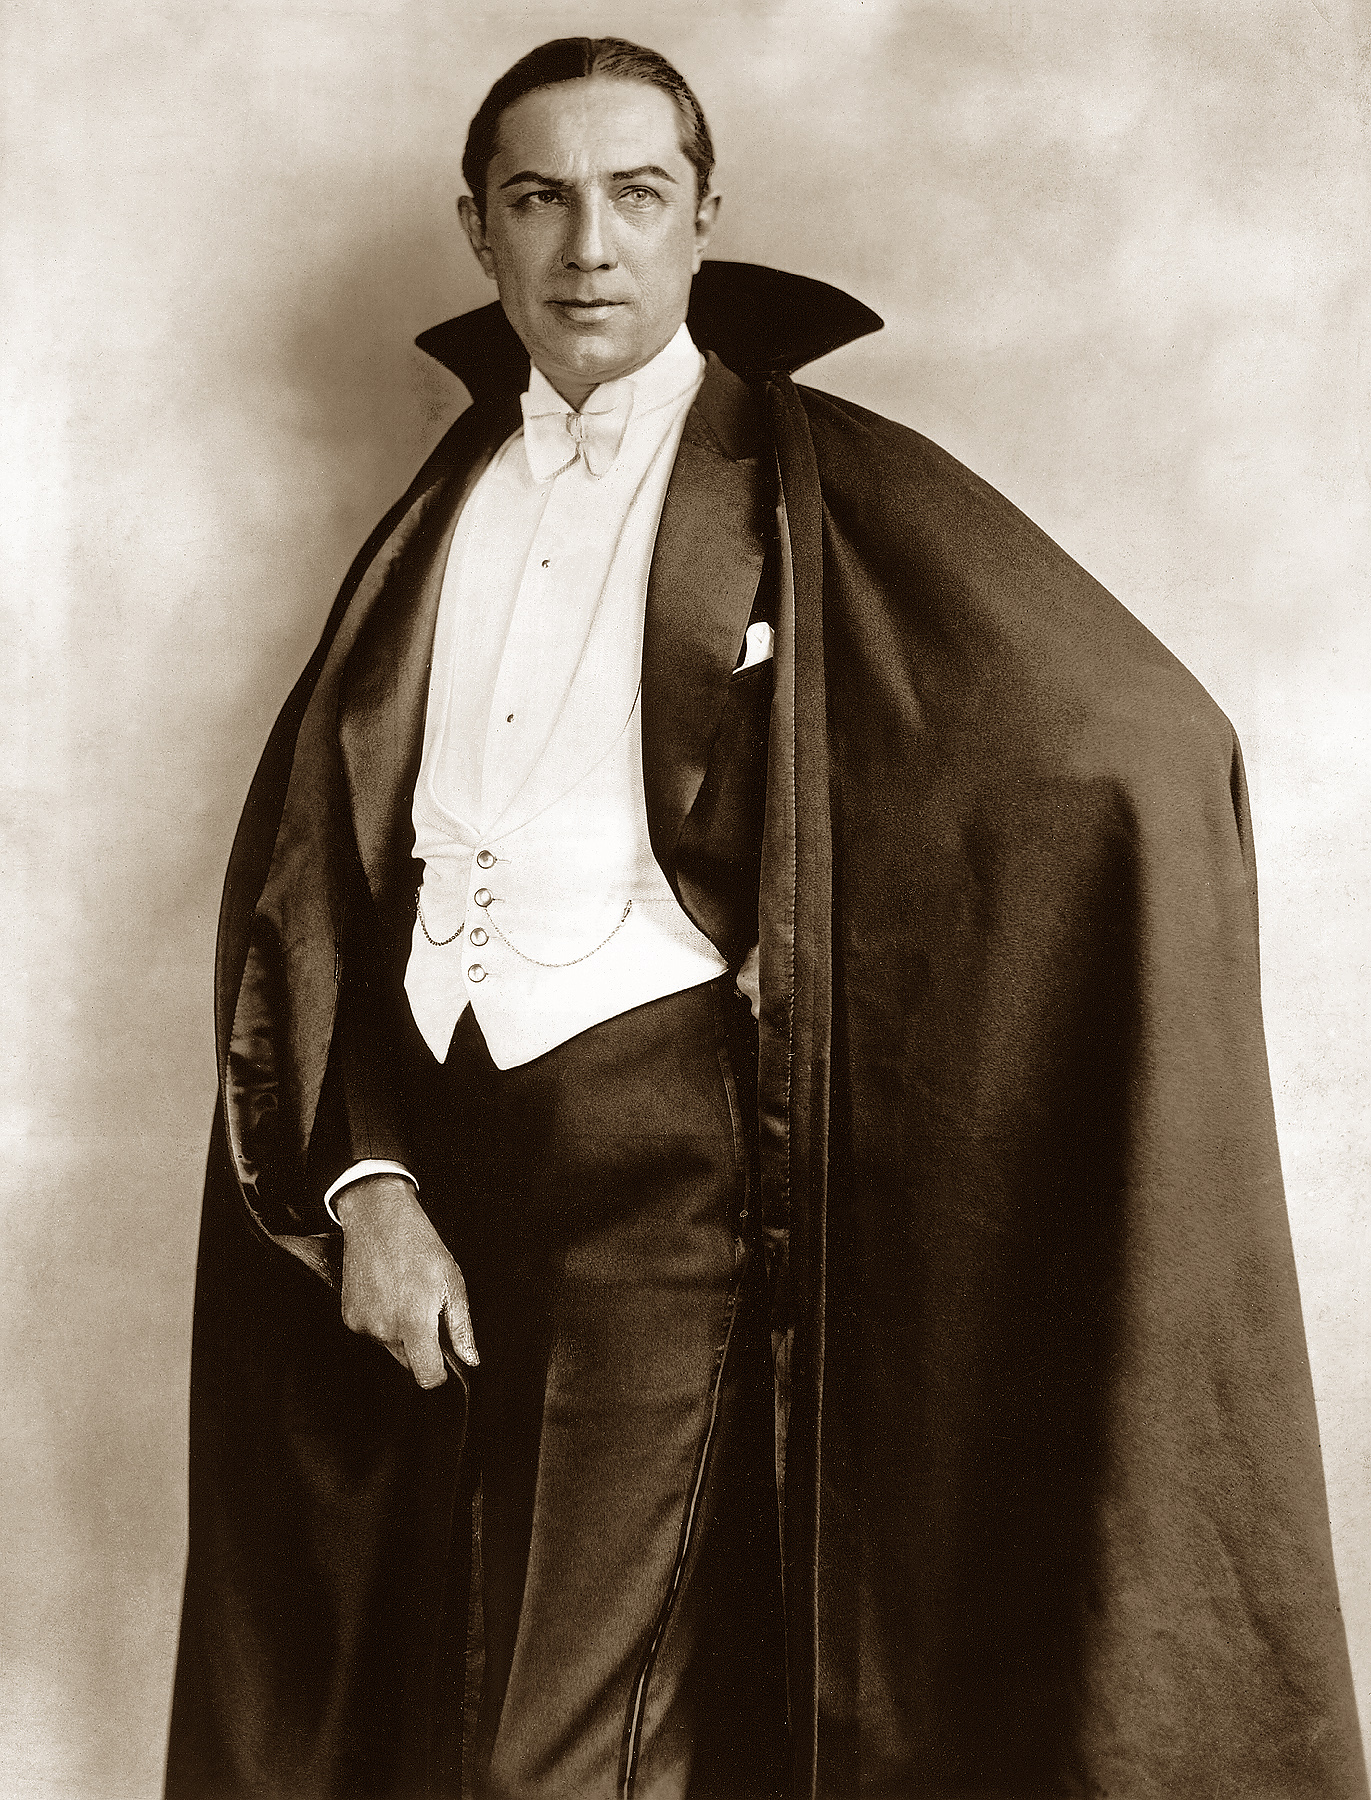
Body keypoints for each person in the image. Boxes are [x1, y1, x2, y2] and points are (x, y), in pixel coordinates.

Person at [166, 34, 1368, 1800]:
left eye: (637, 195)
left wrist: (810, 953)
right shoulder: (442, 510)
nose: (590, 246)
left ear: (705, 215)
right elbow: (333, 886)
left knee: (563, 1753)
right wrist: (368, 1183)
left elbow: (1136, 748)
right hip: (438, 1168)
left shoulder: (819, 487)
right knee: (423, 1711)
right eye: (540, 199)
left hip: (666, 1179)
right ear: (479, 230)